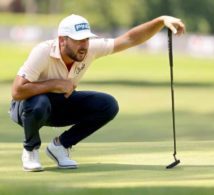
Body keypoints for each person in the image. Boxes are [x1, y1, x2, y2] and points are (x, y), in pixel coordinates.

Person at [10, 14, 185, 172]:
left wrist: (160, 21)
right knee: (40, 102)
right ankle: (31, 149)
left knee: (108, 105)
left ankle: (60, 146)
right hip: (26, 108)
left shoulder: (90, 49)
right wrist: (55, 84)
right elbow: (17, 91)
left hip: (60, 104)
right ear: (62, 40)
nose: (84, 45)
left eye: (86, 39)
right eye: (78, 40)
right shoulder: (43, 51)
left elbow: (130, 39)